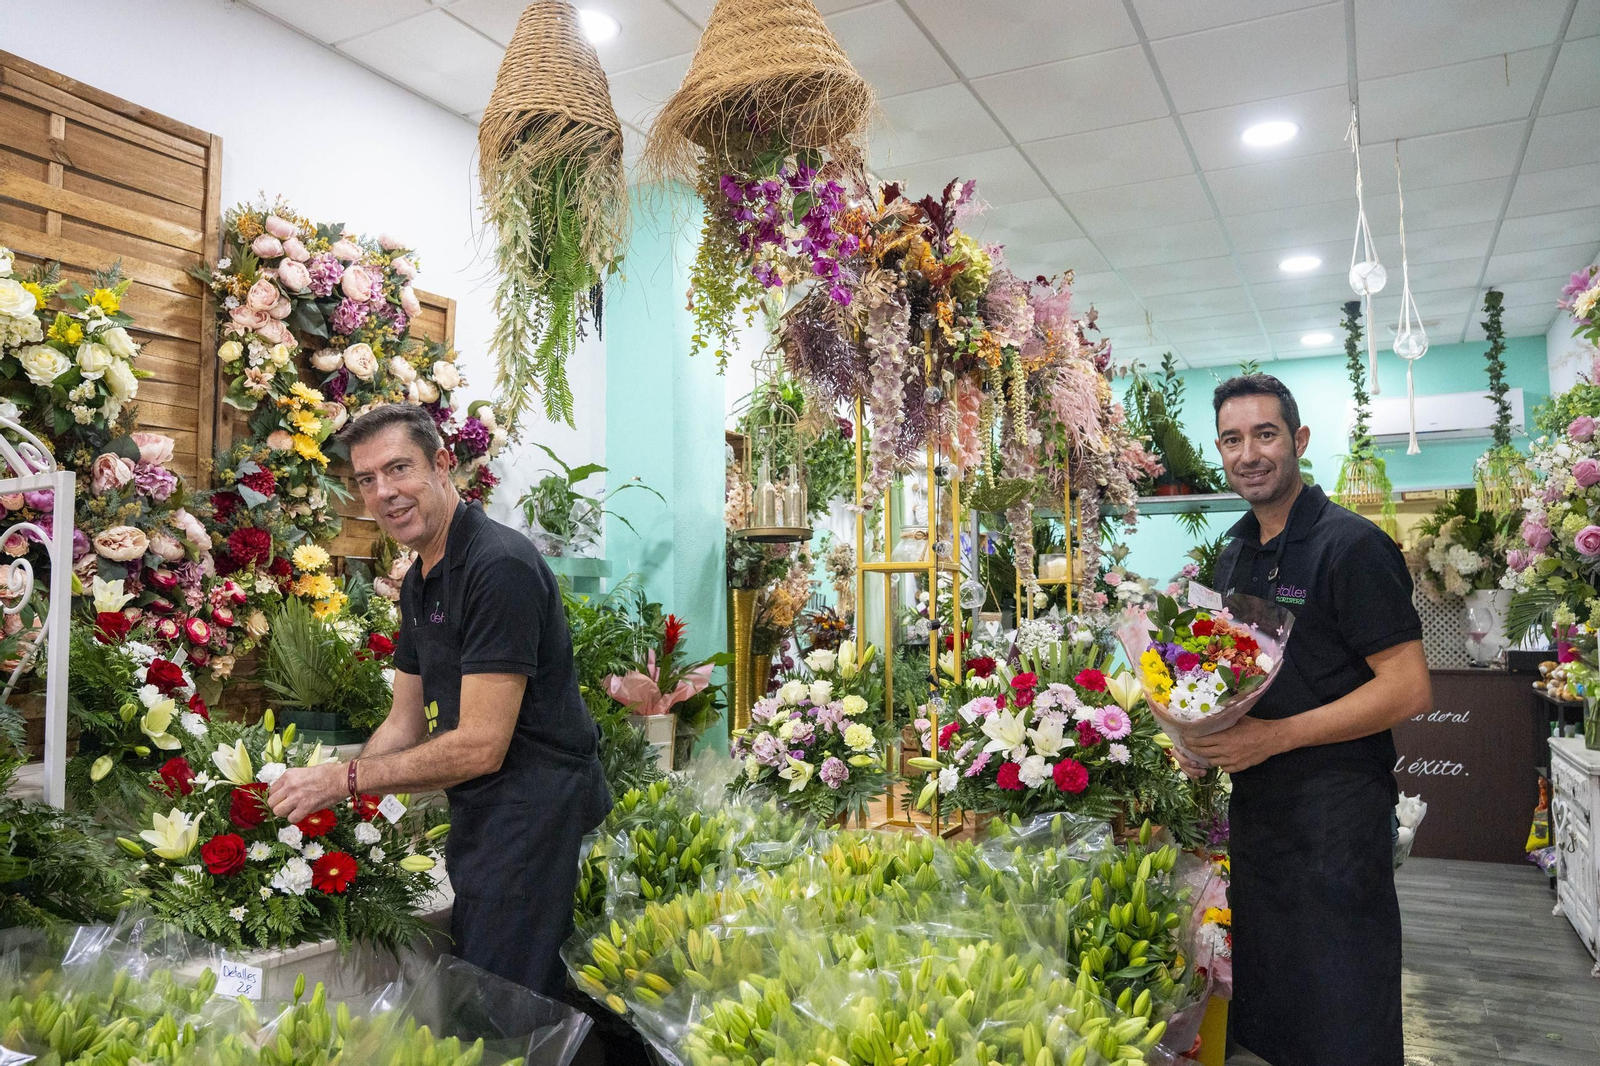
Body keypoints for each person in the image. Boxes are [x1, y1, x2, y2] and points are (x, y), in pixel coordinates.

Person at [269, 403, 611, 996]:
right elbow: (403, 720)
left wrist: (343, 780)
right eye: (367, 480)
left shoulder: (497, 566)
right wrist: (351, 820)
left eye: (399, 469)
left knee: (510, 1010)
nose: (384, 493)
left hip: (535, 819)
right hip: (485, 818)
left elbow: (480, 745)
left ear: (444, 465)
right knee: (484, 988)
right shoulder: (422, 576)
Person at [1180, 374, 1431, 1066]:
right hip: (1262, 823)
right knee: (1276, 1009)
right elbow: (1226, 678)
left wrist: (1276, 737)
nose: (1248, 453)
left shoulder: (1351, 546)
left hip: (1337, 820)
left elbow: (1409, 689)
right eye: (1232, 439)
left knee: (1344, 1009)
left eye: (1265, 434)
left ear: (1299, 441)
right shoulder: (1234, 554)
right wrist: (1195, 738)